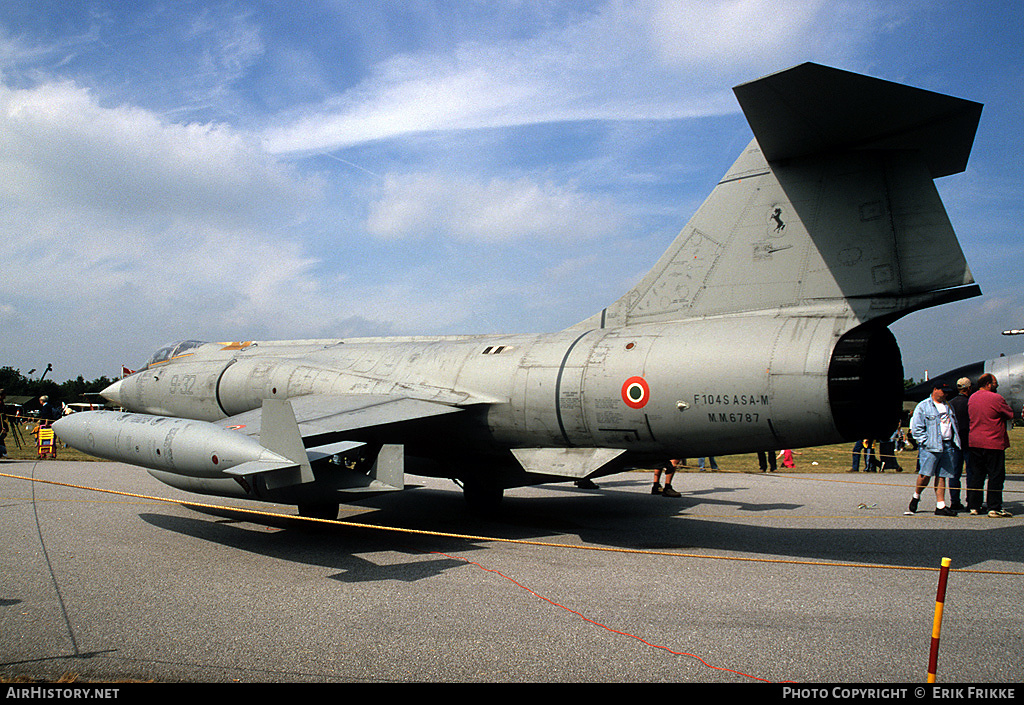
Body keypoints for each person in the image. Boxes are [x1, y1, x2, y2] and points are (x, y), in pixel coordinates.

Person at [907, 380, 961, 516]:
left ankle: (940, 505)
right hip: (930, 447)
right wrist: (926, 442)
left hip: (947, 445)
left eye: (947, 392)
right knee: (925, 475)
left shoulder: (948, 406)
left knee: (942, 475)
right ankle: (916, 495)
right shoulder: (923, 406)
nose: (945, 394)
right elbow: (916, 429)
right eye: (943, 391)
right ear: (935, 390)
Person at [966, 373, 1013, 517]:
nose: (997, 386)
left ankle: (974, 505)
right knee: (995, 475)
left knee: (977, 475)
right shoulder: (996, 398)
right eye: (995, 383)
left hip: (975, 441)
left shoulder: (972, 398)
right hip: (993, 442)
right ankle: (994, 507)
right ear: (988, 384)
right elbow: (1010, 414)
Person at [946, 376, 973, 510]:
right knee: (971, 473)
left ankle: (955, 501)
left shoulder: (950, 403)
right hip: (969, 441)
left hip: (955, 442)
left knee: (954, 474)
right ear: (969, 388)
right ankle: (971, 501)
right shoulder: (970, 403)